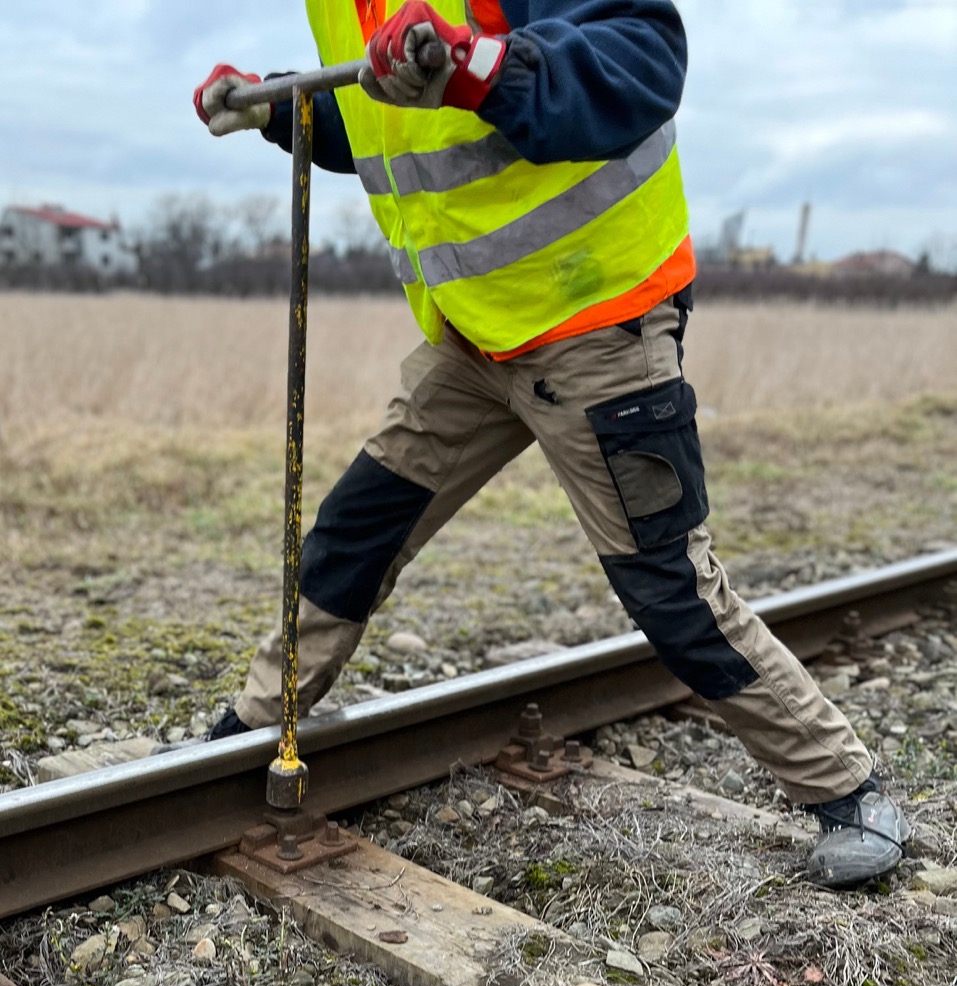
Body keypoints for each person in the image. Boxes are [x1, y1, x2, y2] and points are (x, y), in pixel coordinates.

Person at [192, 0, 908, 888]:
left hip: (597, 326)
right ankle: (251, 731)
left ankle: (847, 790)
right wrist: (281, 108)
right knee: (354, 532)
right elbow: (389, 125)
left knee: (669, 588)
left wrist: (476, 65)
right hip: (475, 337)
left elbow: (641, 58)